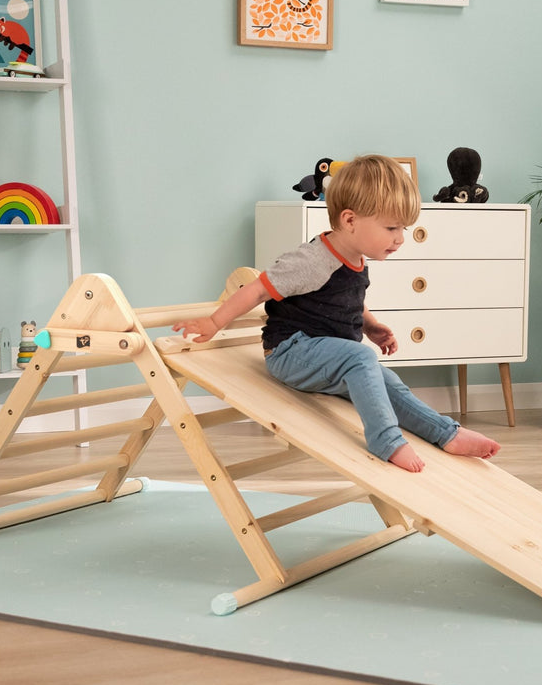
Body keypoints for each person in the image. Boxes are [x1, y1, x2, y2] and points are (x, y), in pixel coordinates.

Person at [173, 154, 501, 471]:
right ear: (350, 220)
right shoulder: (313, 260)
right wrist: (215, 321)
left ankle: (447, 434)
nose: (400, 239)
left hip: (328, 354)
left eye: (402, 229)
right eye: (391, 229)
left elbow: (348, 299)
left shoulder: (355, 256)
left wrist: (370, 326)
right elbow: (259, 287)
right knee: (361, 359)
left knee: (390, 383)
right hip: (291, 351)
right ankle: (386, 441)